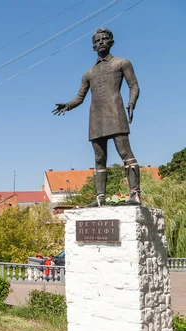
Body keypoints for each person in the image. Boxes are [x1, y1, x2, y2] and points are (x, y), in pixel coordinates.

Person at [53, 28, 141, 207]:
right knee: (99, 159)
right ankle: (100, 198)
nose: (101, 42)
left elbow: (134, 85)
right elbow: (80, 97)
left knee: (125, 153)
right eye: (97, 40)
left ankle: (135, 195)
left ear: (112, 42)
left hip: (116, 112)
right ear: (93, 46)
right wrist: (67, 105)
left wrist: (132, 102)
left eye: (104, 39)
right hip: (96, 118)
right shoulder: (88, 73)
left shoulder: (122, 63)